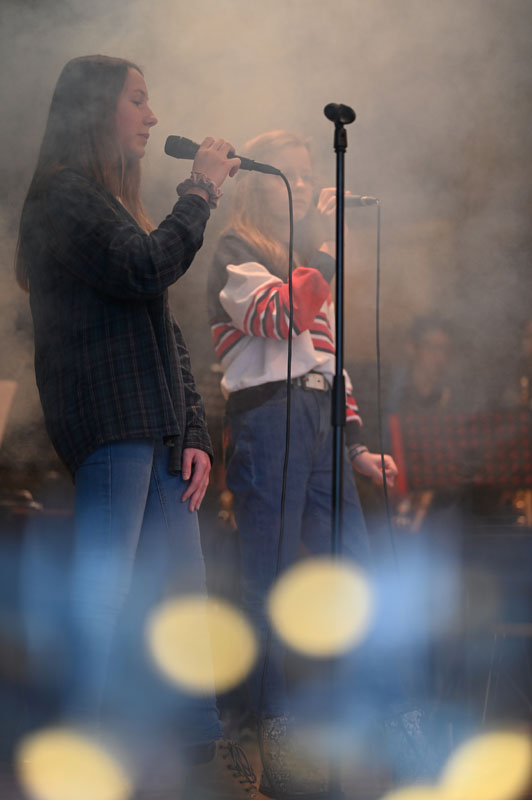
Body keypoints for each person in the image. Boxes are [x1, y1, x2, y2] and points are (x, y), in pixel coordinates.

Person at [15, 55, 259, 799]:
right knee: (108, 596)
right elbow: (145, 268)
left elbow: (165, 333)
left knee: (183, 597)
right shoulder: (65, 196)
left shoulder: (116, 204)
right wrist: (201, 190)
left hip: (157, 430)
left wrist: (194, 434)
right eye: (138, 101)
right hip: (111, 420)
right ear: (96, 109)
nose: (153, 117)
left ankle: (192, 750)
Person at [208, 130, 399, 797]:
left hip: (319, 419)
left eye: (310, 172)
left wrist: (355, 446)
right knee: (271, 581)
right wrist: (326, 252)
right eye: (291, 174)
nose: (307, 184)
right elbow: (280, 317)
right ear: (260, 186)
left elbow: (326, 359)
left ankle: (370, 721)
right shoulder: (236, 252)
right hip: (268, 416)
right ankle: (276, 738)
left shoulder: (306, 265)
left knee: (356, 570)